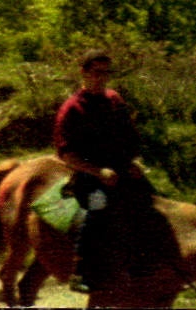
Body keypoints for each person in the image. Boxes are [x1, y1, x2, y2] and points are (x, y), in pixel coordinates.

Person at [53, 50, 151, 294]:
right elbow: (66, 154)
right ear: (84, 73)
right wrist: (98, 172)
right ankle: (81, 272)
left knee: (150, 203)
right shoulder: (72, 109)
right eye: (97, 72)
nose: (103, 78)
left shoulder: (115, 101)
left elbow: (131, 139)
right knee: (97, 212)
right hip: (89, 176)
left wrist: (134, 162)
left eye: (107, 73)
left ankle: (144, 261)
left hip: (119, 171)